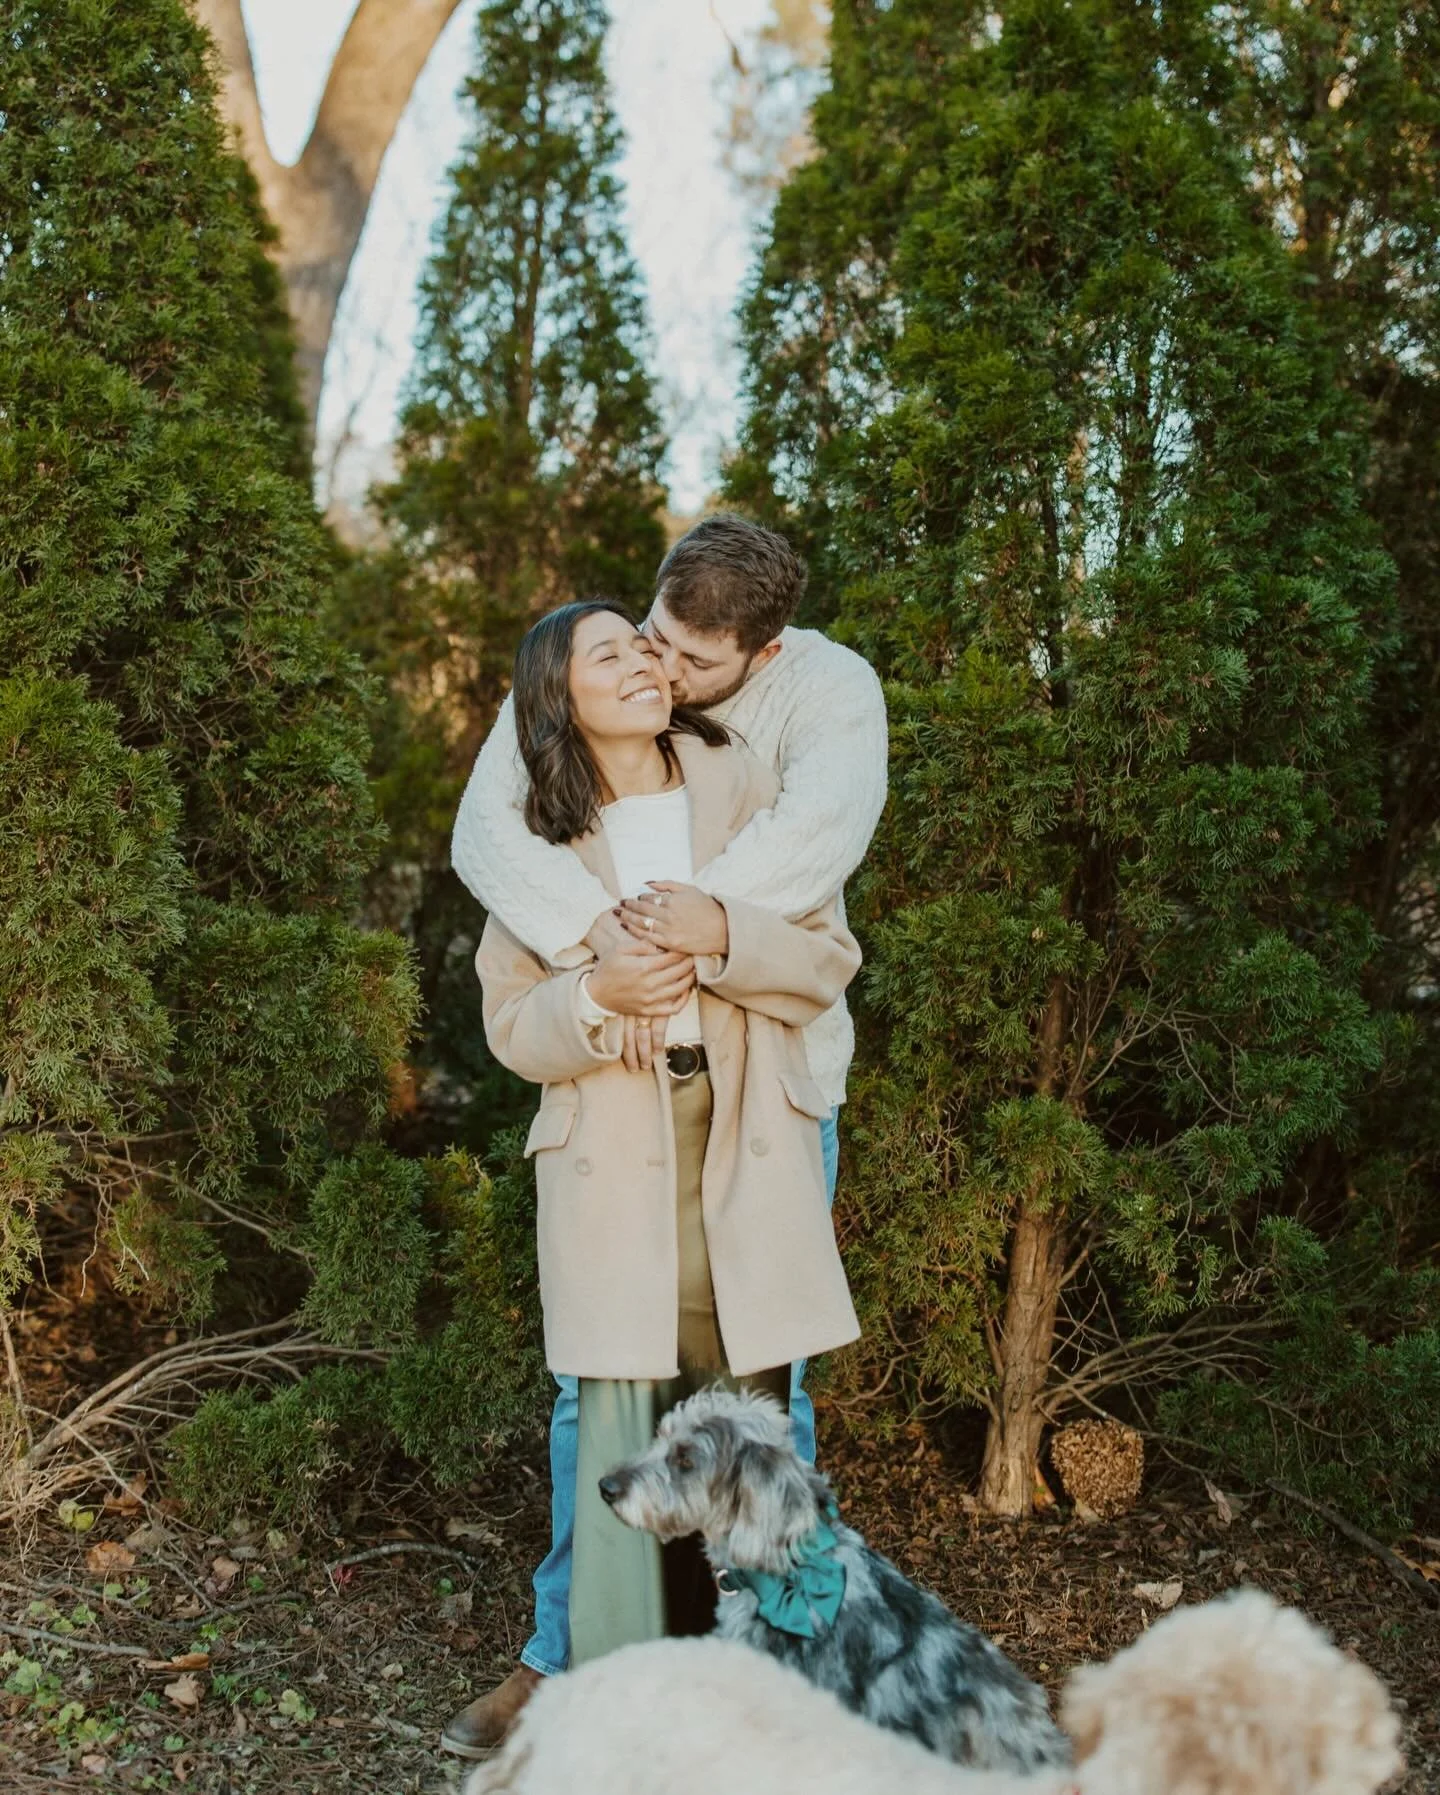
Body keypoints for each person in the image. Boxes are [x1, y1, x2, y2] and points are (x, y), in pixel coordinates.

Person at [441, 517, 887, 1759]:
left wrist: (722, 934)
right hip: (611, 1143)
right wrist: (597, 1000)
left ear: (758, 652)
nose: (652, 667)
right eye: (621, 653)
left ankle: (788, 1671)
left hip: (750, 1122)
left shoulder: (754, 776)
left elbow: (828, 956)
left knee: (762, 1395)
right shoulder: (537, 823)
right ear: (558, 702)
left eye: (668, 658)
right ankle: (575, 1663)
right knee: (607, 1407)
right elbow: (515, 1025)